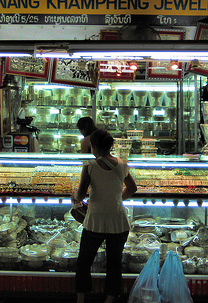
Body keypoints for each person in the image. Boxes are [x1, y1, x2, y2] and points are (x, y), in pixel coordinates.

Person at [72, 129, 137, 303]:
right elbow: (132, 188)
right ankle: (109, 299)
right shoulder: (122, 164)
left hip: (95, 222)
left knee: (84, 262)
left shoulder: (90, 166)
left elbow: (80, 195)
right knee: (114, 264)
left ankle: (81, 299)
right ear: (110, 146)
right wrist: (116, 199)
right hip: (118, 222)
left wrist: (74, 197)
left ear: (93, 147)